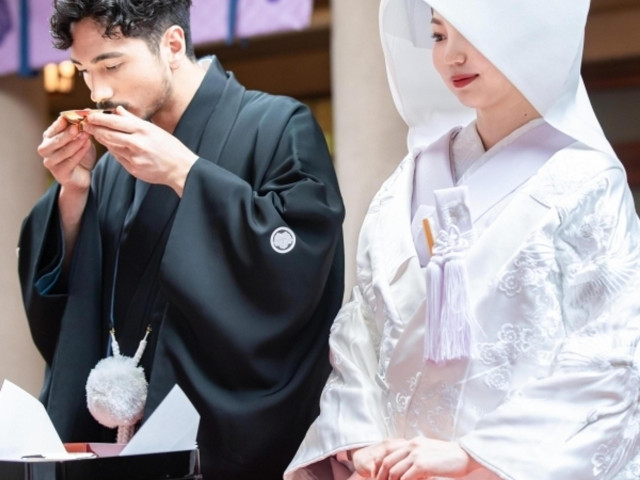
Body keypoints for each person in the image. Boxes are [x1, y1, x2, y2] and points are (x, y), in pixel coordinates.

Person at [285, 0, 640, 479]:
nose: (451, 56)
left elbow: (613, 351)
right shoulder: (407, 179)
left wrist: (475, 454)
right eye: (439, 35)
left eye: (472, 33)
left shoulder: (585, 180)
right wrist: (360, 438)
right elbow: (362, 325)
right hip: (395, 466)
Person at [17, 0, 345, 478]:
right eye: (85, 71)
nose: (98, 91)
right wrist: (73, 194)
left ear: (172, 45)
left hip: (217, 441)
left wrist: (184, 173)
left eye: (111, 65)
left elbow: (298, 262)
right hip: (117, 433)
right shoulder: (111, 169)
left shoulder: (277, 126)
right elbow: (75, 306)